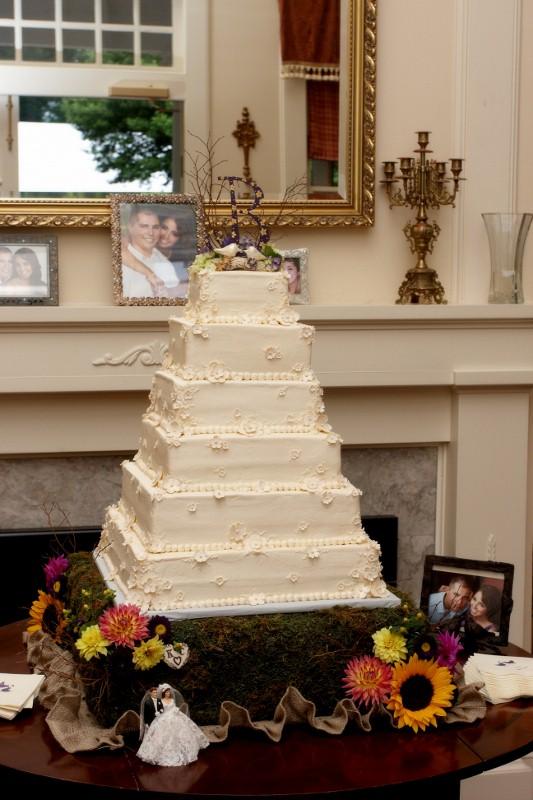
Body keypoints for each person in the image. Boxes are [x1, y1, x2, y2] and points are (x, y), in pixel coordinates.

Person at [137, 683, 209, 767]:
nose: (168, 693)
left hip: (175, 716)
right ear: (163, 693)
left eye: (169, 692)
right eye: (166, 692)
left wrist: (176, 710)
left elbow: (174, 707)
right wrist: (158, 713)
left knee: (181, 731)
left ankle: (184, 750)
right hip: (164, 718)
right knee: (162, 735)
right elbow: (160, 710)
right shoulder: (161, 701)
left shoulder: (172, 700)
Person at [121, 207, 184, 299]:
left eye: (155, 227)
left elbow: (176, 301)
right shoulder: (120, 256)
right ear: (130, 227)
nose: (151, 233)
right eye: (144, 226)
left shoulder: (165, 264)